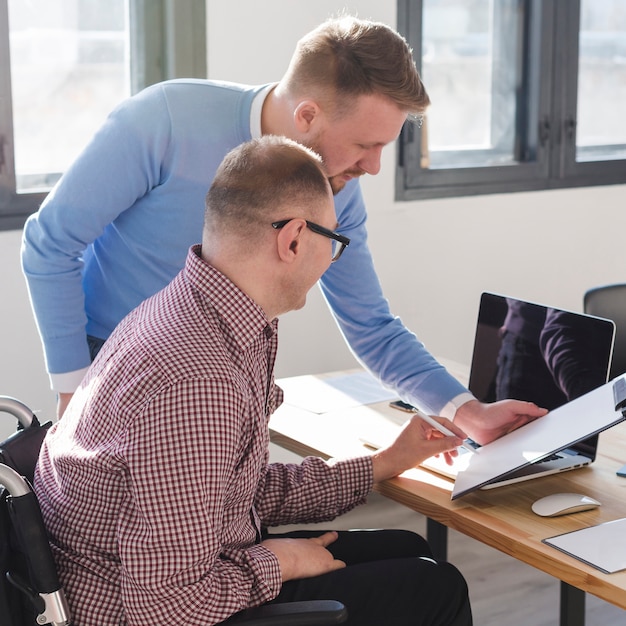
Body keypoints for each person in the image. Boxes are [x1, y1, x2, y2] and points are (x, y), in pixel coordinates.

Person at [21, 14, 545, 438]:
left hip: (228, 387)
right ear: (308, 115)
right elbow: (50, 244)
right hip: (114, 370)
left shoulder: (338, 184)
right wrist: (76, 390)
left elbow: (370, 323)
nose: (374, 167)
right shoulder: (165, 120)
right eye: (366, 144)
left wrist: (466, 410)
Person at [34, 136, 473, 625]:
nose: (332, 260)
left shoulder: (195, 311)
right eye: (336, 243)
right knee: (435, 588)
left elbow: (233, 490)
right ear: (293, 240)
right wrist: (279, 562)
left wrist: (385, 463)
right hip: (145, 607)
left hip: (168, 570)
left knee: (408, 548)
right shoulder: (195, 379)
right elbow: (166, 606)